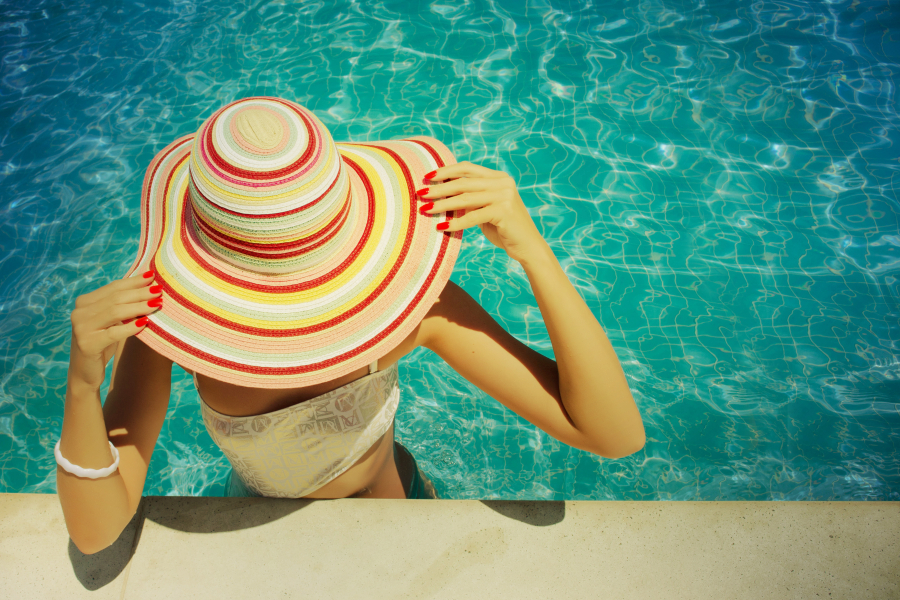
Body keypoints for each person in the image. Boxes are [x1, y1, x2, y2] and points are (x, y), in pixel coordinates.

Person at [56, 97, 645, 554]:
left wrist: (534, 252)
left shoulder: (421, 313)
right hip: (266, 535)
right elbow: (96, 531)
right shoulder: (167, 327)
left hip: (398, 512)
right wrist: (82, 386)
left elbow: (612, 436)